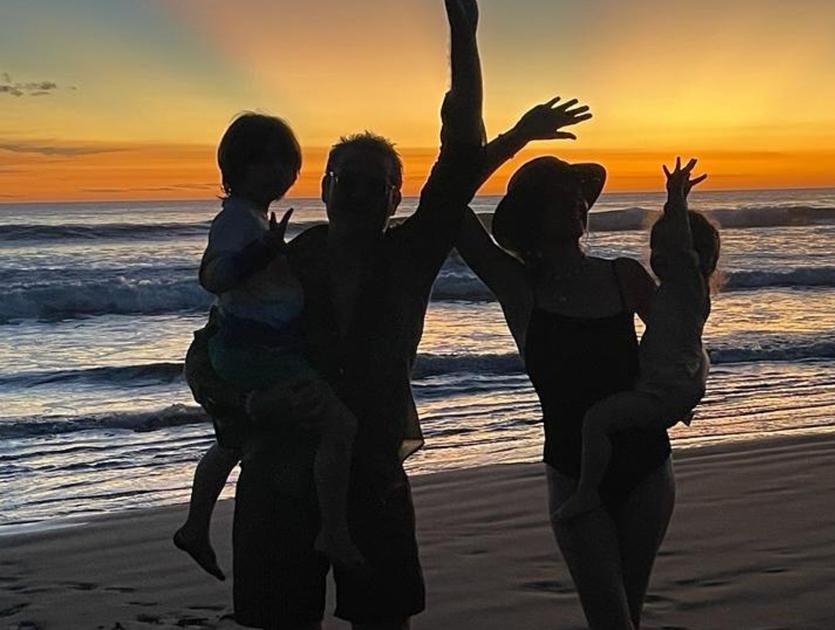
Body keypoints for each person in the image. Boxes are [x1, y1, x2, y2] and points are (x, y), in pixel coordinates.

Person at [183, 1, 593, 625]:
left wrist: (463, 34)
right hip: (278, 474)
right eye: (343, 179)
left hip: (372, 473)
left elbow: (458, 154)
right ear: (322, 189)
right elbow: (207, 352)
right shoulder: (283, 261)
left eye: (374, 183)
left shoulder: (410, 254)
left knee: (384, 619)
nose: (355, 192)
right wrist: (244, 406)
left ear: (396, 197)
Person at [456, 155, 675, 629]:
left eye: (577, 192)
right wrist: (514, 140)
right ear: (532, 215)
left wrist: (675, 397)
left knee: (628, 613)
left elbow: (677, 344)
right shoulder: (519, 289)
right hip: (573, 473)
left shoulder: (624, 276)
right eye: (559, 194)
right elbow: (451, 206)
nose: (576, 200)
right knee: (609, 619)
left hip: (648, 466)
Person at [174, 112, 365, 583]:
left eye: (287, 162)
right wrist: (259, 255)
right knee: (339, 425)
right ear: (236, 166)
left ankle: (195, 526)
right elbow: (214, 277)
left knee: (232, 439)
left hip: (253, 349)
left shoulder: (253, 218)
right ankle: (334, 531)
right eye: (266, 161)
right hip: (257, 353)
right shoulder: (238, 220)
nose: (279, 172)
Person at [553, 158, 719, 524]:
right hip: (679, 385)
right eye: (654, 247)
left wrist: (675, 198)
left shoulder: (687, 284)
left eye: (664, 248)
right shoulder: (682, 294)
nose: (657, 256)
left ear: (693, 257)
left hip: (665, 392)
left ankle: (586, 493)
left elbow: (680, 244)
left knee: (596, 422)